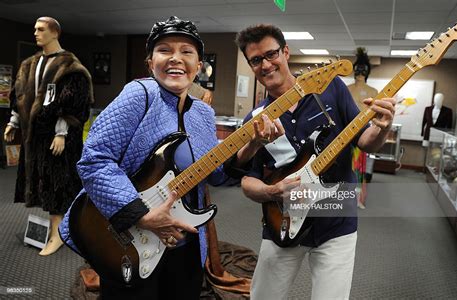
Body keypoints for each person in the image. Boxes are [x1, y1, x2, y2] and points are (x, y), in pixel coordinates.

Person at [58, 16, 269, 299]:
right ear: (150, 62)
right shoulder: (138, 95)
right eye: (165, 50)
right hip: (129, 239)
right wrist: (143, 215)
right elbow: (95, 160)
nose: (176, 58)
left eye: (186, 51)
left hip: (185, 240)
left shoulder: (203, 113)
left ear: (199, 65)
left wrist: (252, 145)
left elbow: (216, 174)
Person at [235, 24, 396, 299]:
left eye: (271, 54)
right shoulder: (255, 120)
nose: (266, 64)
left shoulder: (330, 88)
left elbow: (364, 142)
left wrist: (382, 128)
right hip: (281, 225)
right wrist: (272, 191)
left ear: (285, 52)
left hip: (336, 224)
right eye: (256, 60)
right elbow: (247, 180)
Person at [3, 16, 93, 256]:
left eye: (41, 29)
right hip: (36, 137)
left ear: (55, 33)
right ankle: (59, 229)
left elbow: (73, 101)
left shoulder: (70, 65)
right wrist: (14, 122)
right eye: (34, 29)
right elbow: (20, 96)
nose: (35, 33)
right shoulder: (29, 64)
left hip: (58, 137)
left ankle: (59, 234)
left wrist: (62, 132)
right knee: (41, 180)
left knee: (58, 183)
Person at [347, 47, 378, 191]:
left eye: (363, 69)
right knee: (345, 164)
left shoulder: (373, 92)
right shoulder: (346, 89)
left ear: (367, 72)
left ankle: (358, 194)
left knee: (360, 166)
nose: (360, 72)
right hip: (345, 132)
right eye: (357, 69)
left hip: (363, 133)